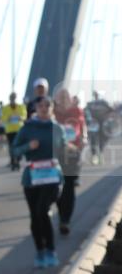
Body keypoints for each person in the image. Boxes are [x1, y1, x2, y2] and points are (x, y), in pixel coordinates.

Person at [13, 94, 69, 268]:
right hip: (32, 178)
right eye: (40, 106)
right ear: (35, 109)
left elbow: (65, 150)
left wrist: (69, 149)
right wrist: (28, 147)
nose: (44, 108)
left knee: (42, 211)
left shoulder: (58, 129)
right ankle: (40, 251)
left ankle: (51, 250)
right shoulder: (27, 128)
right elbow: (14, 150)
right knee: (35, 216)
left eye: (47, 105)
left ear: (52, 108)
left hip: (52, 177)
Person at [53, 88, 85, 235]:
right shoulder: (52, 113)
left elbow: (82, 126)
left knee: (69, 185)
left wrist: (84, 139)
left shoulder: (77, 111)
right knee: (57, 187)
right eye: (61, 97)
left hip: (73, 152)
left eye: (67, 97)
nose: (64, 99)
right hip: (56, 154)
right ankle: (61, 214)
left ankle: (65, 220)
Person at [0, 92, 27, 170]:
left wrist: (20, 117)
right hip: (10, 130)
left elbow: (24, 117)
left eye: (14, 97)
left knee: (19, 146)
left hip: (19, 129)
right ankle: (13, 162)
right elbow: (3, 118)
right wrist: (8, 118)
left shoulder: (21, 106)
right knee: (11, 146)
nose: (13, 99)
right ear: (9, 98)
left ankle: (18, 160)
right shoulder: (5, 108)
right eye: (11, 97)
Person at [86, 91, 113, 165]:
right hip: (93, 124)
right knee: (93, 139)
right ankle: (94, 156)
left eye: (96, 94)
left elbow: (111, 110)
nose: (96, 96)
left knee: (103, 139)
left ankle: (100, 154)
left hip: (103, 124)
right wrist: (89, 119)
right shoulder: (90, 104)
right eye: (94, 94)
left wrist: (108, 117)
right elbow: (86, 112)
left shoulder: (104, 103)